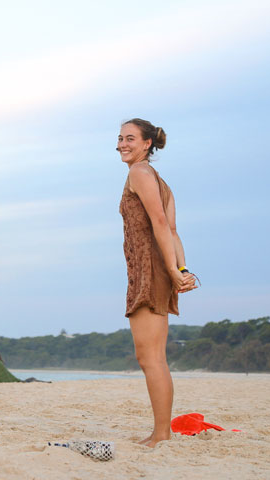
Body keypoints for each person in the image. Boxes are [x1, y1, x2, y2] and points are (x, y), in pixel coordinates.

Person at [117, 118, 198, 448]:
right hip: (156, 269)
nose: (122, 144)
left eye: (130, 138)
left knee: (151, 358)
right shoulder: (159, 180)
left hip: (149, 271)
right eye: (120, 138)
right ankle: (160, 430)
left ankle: (161, 433)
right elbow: (173, 231)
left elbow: (161, 223)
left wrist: (172, 270)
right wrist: (179, 267)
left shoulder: (140, 173)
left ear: (147, 143)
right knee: (152, 357)